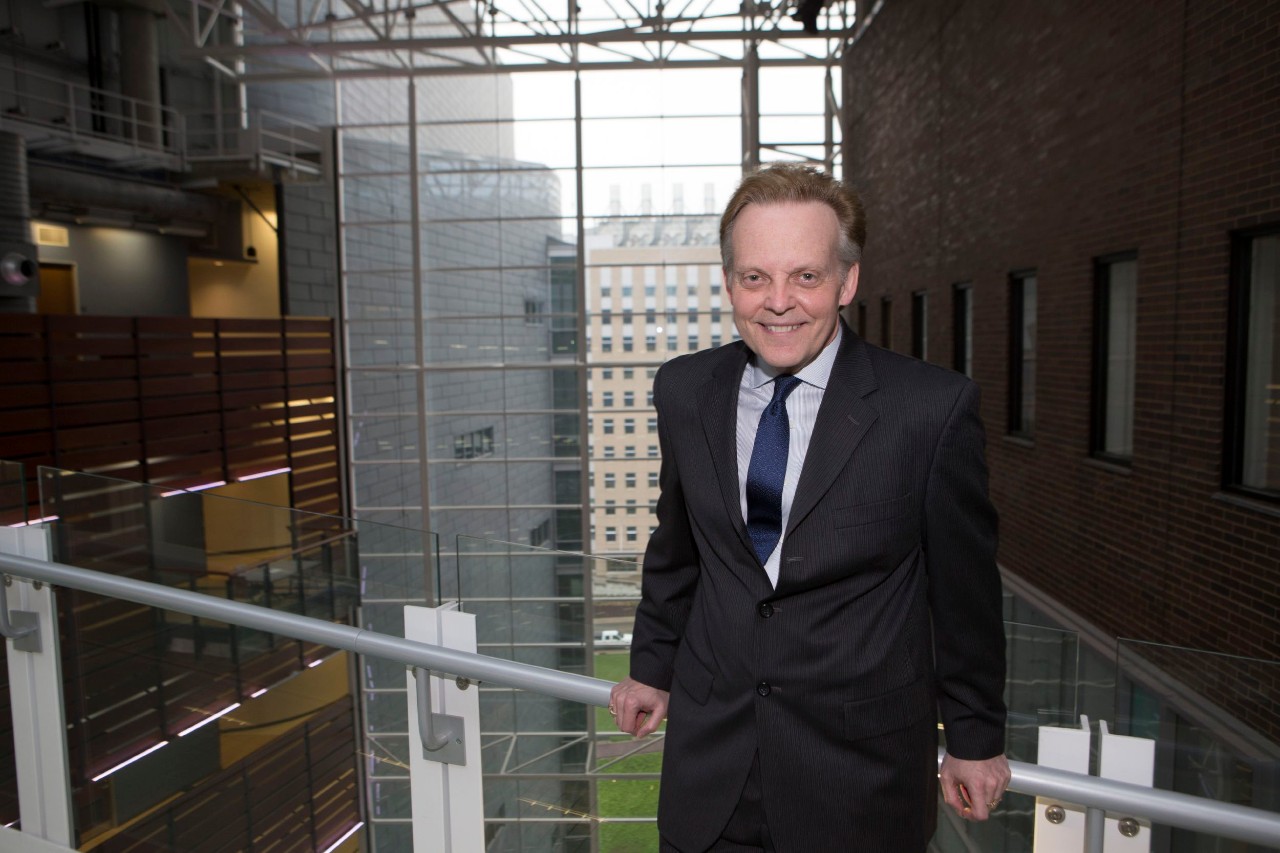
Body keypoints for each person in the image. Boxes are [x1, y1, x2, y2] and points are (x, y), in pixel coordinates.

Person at [608, 163, 1010, 852]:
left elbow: (964, 595)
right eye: (755, 277)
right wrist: (651, 666)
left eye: (806, 276)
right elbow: (677, 549)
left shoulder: (929, 410)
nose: (778, 302)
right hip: (712, 770)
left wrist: (975, 738)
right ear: (729, 282)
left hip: (858, 780)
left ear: (846, 282)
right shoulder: (684, 390)